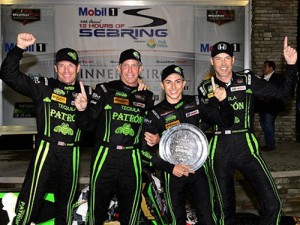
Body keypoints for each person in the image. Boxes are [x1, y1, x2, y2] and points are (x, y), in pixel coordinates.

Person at [197, 37, 298, 225]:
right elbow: (206, 122)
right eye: (218, 58)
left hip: (246, 146)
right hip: (219, 149)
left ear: (233, 60)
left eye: (227, 58)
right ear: (212, 62)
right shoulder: (205, 89)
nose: (223, 63)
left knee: (272, 205)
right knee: (224, 212)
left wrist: (291, 66)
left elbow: (284, 94)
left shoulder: (248, 79)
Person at [0, 33, 93, 225]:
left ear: (78, 68)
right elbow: (8, 75)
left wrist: (83, 109)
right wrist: (18, 48)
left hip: (72, 153)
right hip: (46, 150)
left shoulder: (88, 93)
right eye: (62, 66)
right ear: (55, 68)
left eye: (71, 66)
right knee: (30, 199)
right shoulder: (44, 86)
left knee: (65, 206)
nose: (66, 70)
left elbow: (89, 126)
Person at [141, 64, 234, 225]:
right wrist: (171, 168)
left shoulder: (196, 102)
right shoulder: (155, 113)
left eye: (178, 81)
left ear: (184, 84)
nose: (174, 87)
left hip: (198, 170)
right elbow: (144, 152)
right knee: (177, 220)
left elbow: (225, 121)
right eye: (168, 82)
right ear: (162, 85)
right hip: (172, 174)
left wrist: (223, 101)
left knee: (208, 218)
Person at [74, 48, 155, 225]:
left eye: (134, 66)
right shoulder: (105, 90)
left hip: (132, 159)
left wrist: (153, 144)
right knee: (97, 212)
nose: (130, 70)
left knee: (131, 212)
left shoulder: (147, 96)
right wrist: (81, 110)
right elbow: (87, 125)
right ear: (119, 68)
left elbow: (148, 130)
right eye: (126, 65)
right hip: (105, 156)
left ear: (140, 69)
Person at [255, 61, 286, 151]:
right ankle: (268, 143)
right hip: (262, 106)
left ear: (271, 68)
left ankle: (270, 145)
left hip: (272, 106)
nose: (263, 68)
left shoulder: (278, 78)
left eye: (265, 66)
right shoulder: (260, 78)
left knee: (268, 124)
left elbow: (279, 91)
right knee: (263, 124)